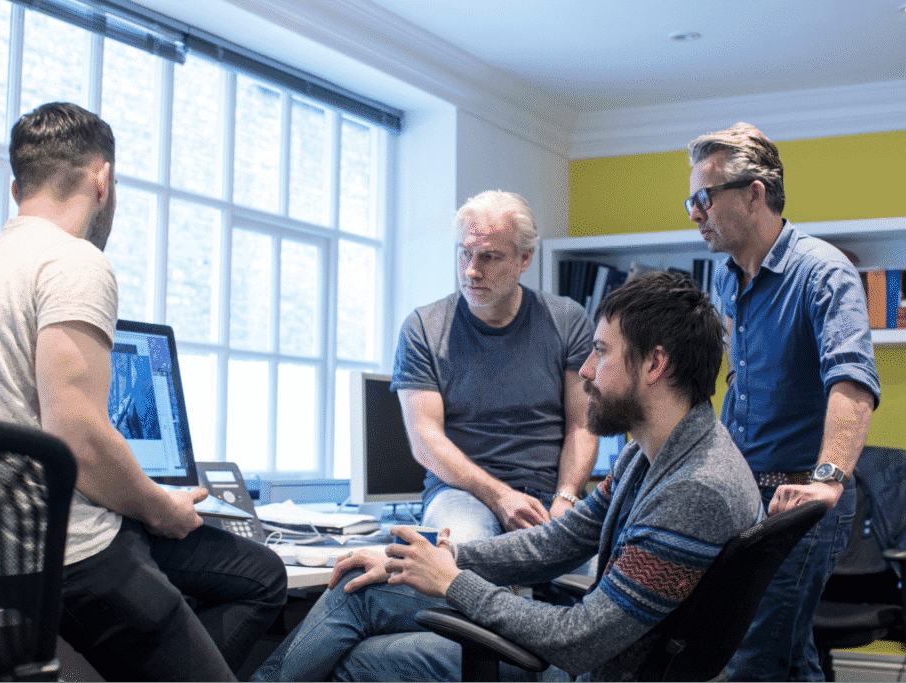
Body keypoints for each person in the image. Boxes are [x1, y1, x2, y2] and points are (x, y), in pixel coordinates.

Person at [252, 270, 764, 682]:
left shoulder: (693, 488)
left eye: (602, 352)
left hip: (580, 667)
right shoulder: (651, 454)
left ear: (655, 364)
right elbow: (557, 543)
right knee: (365, 586)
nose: (585, 370)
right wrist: (428, 559)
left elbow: (581, 638)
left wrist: (453, 583)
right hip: (582, 651)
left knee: (358, 661)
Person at [0, 102, 286, 682]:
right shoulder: (74, 262)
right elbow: (80, 443)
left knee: (260, 572)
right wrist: (160, 506)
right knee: (251, 580)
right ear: (103, 180)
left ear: (17, 187)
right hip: (71, 555)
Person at [686, 122, 880, 681]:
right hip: (743, 491)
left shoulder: (822, 272)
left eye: (705, 197)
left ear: (754, 193)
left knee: (751, 660)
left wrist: (827, 479)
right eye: (690, 199)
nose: (694, 212)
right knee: (784, 659)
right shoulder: (726, 279)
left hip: (797, 498)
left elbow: (853, 382)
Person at [392, 190, 598, 542]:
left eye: (489, 257)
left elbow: (583, 425)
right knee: (465, 550)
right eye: (465, 253)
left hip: (549, 495)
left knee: (608, 574)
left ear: (524, 259)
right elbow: (425, 440)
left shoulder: (568, 321)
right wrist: (499, 495)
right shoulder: (423, 327)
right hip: (460, 494)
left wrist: (566, 497)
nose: (472, 271)